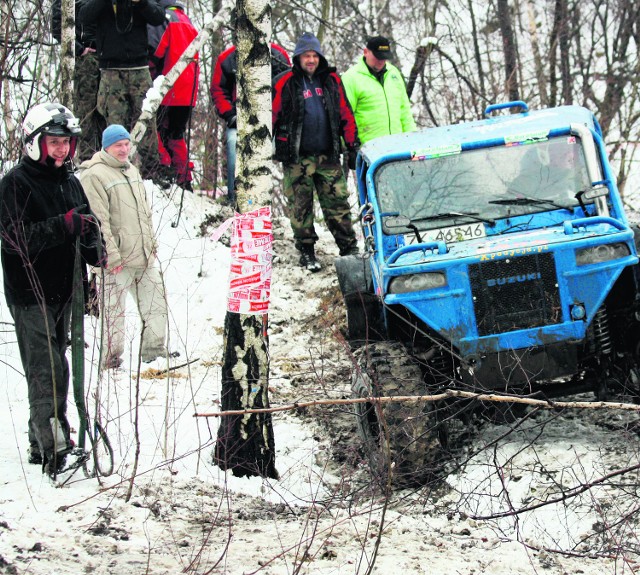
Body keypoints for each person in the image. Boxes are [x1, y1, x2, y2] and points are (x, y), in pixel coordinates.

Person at [0, 102, 104, 476]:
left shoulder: (71, 182)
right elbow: (15, 239)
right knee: (45, 371)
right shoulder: (15, 184)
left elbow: (88, 226)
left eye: (66, 142)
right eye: (54, 141)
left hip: (66, 292)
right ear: (35, 142)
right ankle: (51, 447)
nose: (61, 149)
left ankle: (47, 438)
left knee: (57, 366)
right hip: (31, 294)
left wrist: (95, 249)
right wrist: (64, 225)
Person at [78, 125, 169, 369]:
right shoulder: (94, 175)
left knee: (156, 303)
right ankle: (110, 361)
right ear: (106, 146)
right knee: (113, 315)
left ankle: (154, 352)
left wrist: (150, 244)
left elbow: (144, 213)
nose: (124, 149)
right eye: (119, 145)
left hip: (142, 256)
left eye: (127, 144)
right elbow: (98, 220)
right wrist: (110, 256)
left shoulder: (132, 171)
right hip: (115, 261)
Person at [272, 32, 359, 272]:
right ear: (298, 58)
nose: (311, 60)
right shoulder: (284, 82)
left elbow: (345, 113)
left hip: (328, 155)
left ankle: (349, 249)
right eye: (306, 56)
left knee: (338, 203)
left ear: (319, 57)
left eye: (314, 55)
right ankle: (307, 252)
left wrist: (352, 145)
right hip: (296, 157)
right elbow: (271, 115)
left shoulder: (332, 80)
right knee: (300, 207)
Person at [78, 0, 165, 180]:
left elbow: (158, 17)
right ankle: (115, 172)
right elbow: (84, 16)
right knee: (115, 124)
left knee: (147, 121)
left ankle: (152, 173)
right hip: (110, 69)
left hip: (139, 68)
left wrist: (140, 2)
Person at [211, 40, 291, 203]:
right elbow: (218, 90)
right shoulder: (227, 58)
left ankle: (286, 202)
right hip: (239, 121)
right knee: (234, 146)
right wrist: (230, 115)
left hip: (272, 121)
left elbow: (288, 87)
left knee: (287, 148)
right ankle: (235, 199)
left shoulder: (278, 55)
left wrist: (280, 118)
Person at [148, 0, 199, 190]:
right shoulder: (188, 22)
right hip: (188, 91)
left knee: (158, 129)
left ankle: (164, 167)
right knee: (176, 134)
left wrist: (149, 69)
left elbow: (157, 50)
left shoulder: (164, 18)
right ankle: (184, 177)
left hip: (168, 86)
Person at [51, 0, 105, 162]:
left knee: (106, 110)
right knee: (85, 109)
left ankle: (105, 157)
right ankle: (87, 158)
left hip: (109, 58)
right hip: (85, 58)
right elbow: (57, 25)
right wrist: (79, 49)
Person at [341, 35, 416, 145]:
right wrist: (350, 147)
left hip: (398, 146)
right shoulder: (351, 78)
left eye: (384, 57)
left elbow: (405, 111)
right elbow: (344, 117)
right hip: (367, 150)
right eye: (377, 57)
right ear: (366, 52)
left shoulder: (393, 73)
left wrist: (413, 139)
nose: (381, 61)